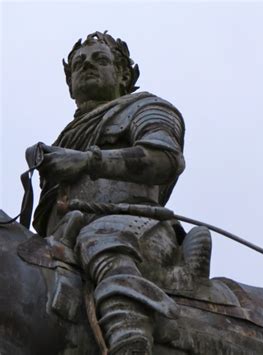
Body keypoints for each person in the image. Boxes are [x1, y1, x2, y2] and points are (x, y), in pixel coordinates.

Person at [32, 31, 186, 355]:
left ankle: (130, 341)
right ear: (69, 81)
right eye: (78, 64)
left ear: (123, 74)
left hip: (133, 226)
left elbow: (165, 159)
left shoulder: (146, 107)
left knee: (100, 240)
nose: (86, 66)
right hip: (62, 237)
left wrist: (88, 161)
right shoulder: (63, 139)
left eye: (99, 59)